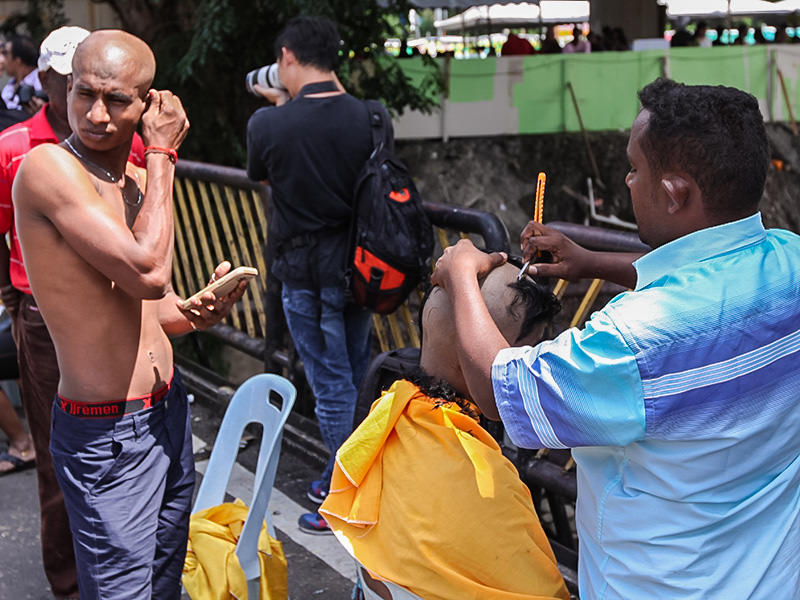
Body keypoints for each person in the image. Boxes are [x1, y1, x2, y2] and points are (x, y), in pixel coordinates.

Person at [431, 78, 800, 598]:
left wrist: (462, 277)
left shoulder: (631, 343)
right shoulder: (789, 261)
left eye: (634, 168)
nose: (626, 181)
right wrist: (591, 262)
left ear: (675, 192)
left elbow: (500, 389)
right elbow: (705, 279)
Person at [13, 30, 246, 599]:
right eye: (83, 93)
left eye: (117, 100)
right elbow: (148, 271)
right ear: (66, 89)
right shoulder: (47, 169)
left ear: (146, 104)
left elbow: (156, 309)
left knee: (163, 585)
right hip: (106, 431)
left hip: (166, 411)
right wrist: (163, 153)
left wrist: (199, 313)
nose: (96, 113)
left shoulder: (136, 181)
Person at [0, 25, 149, 599]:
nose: (89, 104)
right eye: (75, 85)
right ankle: (68, 583)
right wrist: (15, 291)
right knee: (58, 455)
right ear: (49, 82)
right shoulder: (19, 146)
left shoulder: (127, 146)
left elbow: (144, 255)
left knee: (117, 446)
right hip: (42, 315)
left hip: (117, 304)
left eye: (112, 94)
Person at [321, 262, 568, 600]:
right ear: (481, 356)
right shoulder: (489, 484)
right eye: (526, 354)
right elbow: (544, 593)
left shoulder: (385, 421)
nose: (527, 368)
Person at [246, 16, 380, 535]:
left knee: (330, 389)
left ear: (285, 57)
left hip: (304, 273)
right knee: (355, 374)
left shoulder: (268, 125)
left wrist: (281, 110)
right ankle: (337, 475)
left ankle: (347, 496)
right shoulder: (370, 117)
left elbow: (262, 173)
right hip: (363, 271)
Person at [1, 35, 42, 112]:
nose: (3, 60)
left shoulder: (42, 79)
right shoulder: (7, 89)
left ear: (18, 60)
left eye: (5, 53)